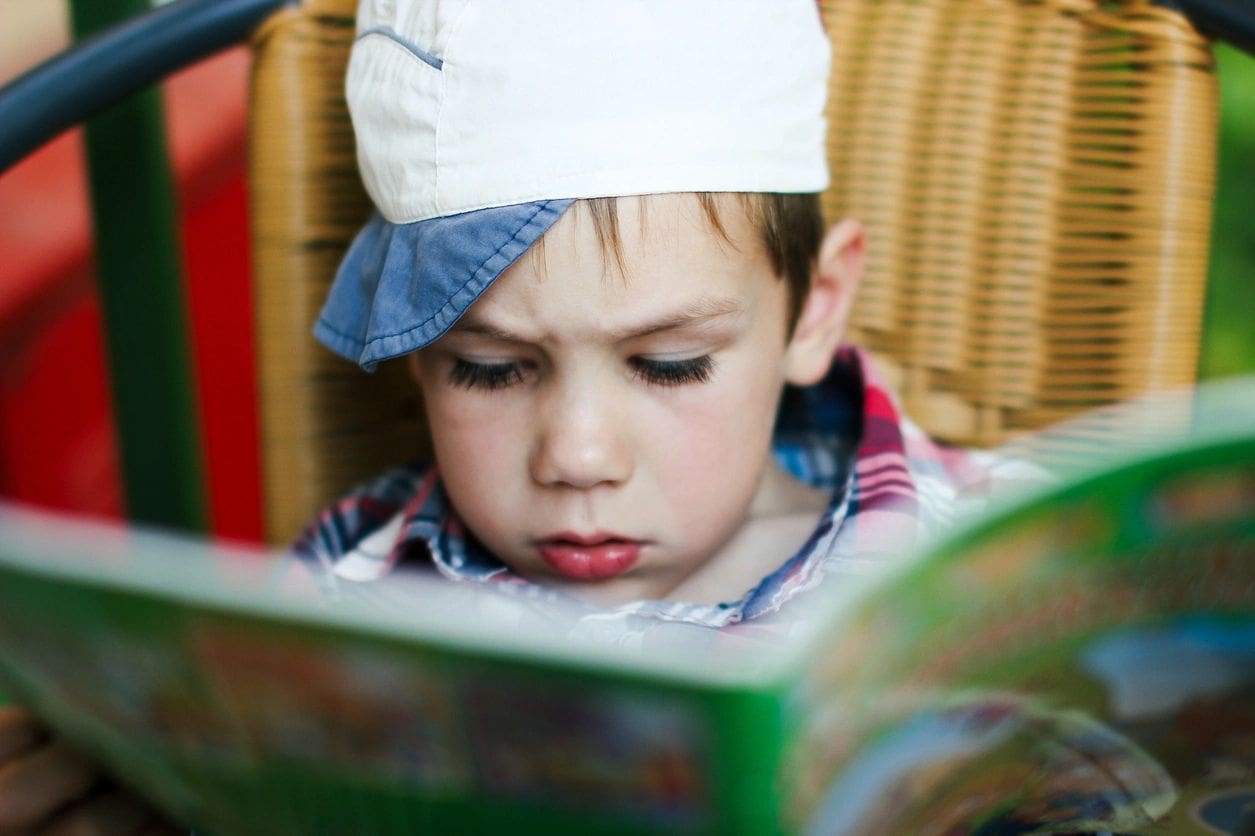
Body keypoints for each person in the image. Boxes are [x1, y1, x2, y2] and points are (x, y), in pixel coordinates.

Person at [0, 0, 1017, 831]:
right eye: (488, 370)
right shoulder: (345, 599)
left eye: (667, 364)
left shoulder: (998, 551)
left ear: (814, 309)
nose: (577, 454)